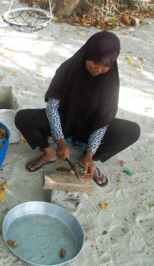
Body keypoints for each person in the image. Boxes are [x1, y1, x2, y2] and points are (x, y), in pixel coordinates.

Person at [15, 31, 140, 187]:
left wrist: (90, 153)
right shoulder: (67, 68)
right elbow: (52, 107)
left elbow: (103, 121)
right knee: (23, 117)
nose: (98, 69)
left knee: (132, 131)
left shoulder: (111, 82)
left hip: (89, 128)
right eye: (95, 62)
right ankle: (49, 153)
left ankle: (86, 161)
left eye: (105, 65)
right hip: (63, 120)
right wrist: (60, 141)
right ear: (88, 53)